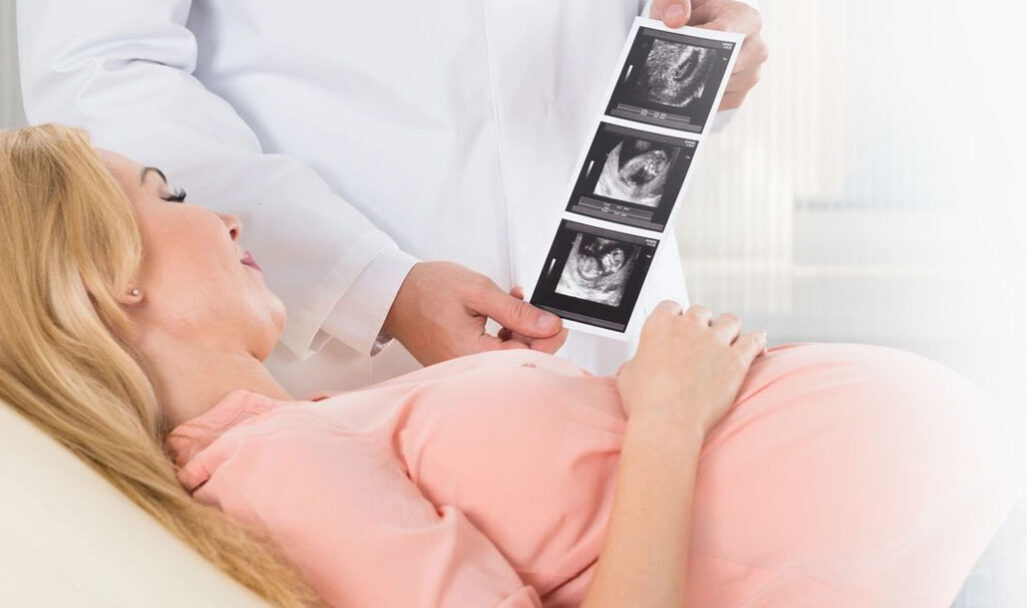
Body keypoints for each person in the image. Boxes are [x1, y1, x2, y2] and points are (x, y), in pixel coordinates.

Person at [1, 125, 1021, 607]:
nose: (223, 213)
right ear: (105, 273)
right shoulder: (270, 470)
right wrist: (667, 413)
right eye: (166, 196)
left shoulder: (305, 433)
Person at [15, 0, 770, 397]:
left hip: (625, 335)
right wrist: (369, 286)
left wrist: (710, 57)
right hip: (349, 358)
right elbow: (100, 75)